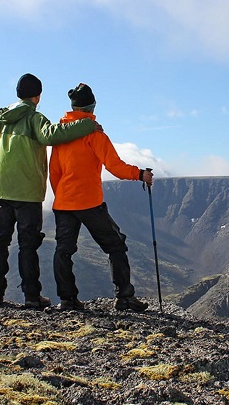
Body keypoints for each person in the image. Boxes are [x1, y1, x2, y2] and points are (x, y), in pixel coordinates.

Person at [0, 73, 101, 309]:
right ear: (37, 96)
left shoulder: (1, 119)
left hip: (1, 188)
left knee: (0, 240)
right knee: (27, 244)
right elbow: (53, 135)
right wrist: (87, 123)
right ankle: (31, 296)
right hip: (27, 191)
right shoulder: (34, 118)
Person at [49, 82, 153, 312]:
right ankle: (124, 297)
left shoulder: (61, 135)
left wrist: (63, 196)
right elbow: (115, 167)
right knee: (115, 245)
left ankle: (68, 300)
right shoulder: (94, 134)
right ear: (92, 106)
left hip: (64, 202)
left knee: (63, 250)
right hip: (89, 202)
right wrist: (140, 174)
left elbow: (54, 172)